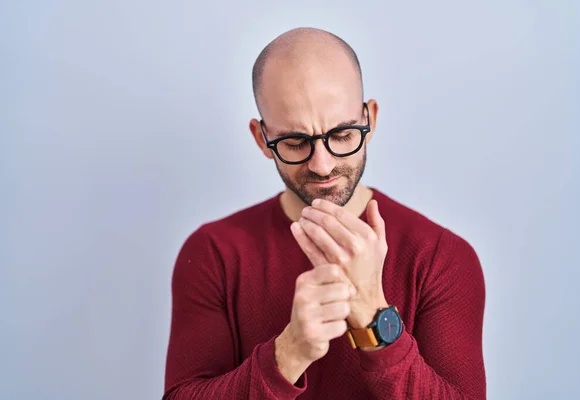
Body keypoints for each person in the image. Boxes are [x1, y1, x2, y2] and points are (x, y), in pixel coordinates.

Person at [162, 27, 486, 400]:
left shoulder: (442, 256)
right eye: (295, 142)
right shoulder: (213, 252)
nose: (322, 164)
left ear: (371, 119)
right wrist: (288, 352)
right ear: (261, 139)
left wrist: (371, 311)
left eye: (344, 135)